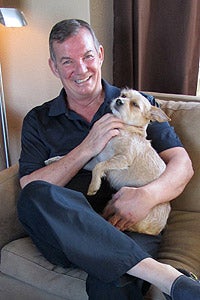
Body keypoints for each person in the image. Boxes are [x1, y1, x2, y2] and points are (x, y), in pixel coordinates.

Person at [17, 19, 200, 300]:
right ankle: (166, 278)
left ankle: (138, 269)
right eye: (67, 61)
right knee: (35, 194)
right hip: (67, 234)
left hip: (128, 224)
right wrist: (86, 148)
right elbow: (29, 185)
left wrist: (147, 196)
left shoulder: (138, 103)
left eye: (87, 56)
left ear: (100, 54)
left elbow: (182, 164)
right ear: (54, 67)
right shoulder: (39, 120)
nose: (81, 69)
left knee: (111, 283)